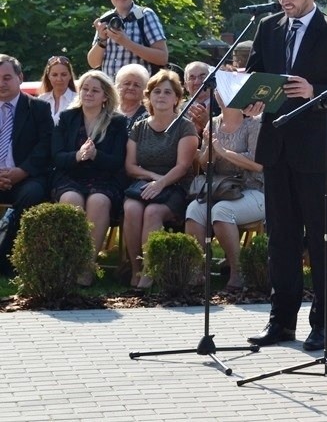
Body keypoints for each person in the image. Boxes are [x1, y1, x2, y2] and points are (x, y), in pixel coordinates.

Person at [243, 0, 327, 352]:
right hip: (276, 147)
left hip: (315, 152)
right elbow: (256, 76)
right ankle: (281, 322)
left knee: (320, 238)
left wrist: (315, 92)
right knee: (280, 238)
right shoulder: (268, 27)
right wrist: (251, 100)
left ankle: (323, 325)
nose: (285, 1)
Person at [51, 71, 128, 286]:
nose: (89, 93)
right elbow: (56, 156)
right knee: (71, 201)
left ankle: (86, 267)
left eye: (95, 90)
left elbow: (118, 161)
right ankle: (70, 264)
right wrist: (77, 156)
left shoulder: (117, 122)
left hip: (104, 178)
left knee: (98, 201)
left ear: (105, 96)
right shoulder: (67, 118)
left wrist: (96, 155)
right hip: (71, 176)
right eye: (85, 88)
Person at [123, 69, 198, 288]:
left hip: (175, 185)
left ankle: (150, 269)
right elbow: (130, 166)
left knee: (153, 211)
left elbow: (183, 166)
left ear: (176, 98)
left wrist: (162, 182)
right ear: (149, 97)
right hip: (144, 184)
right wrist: (152, 178)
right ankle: (135, 269)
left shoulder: (185, 126)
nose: (162, 96)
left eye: (168, 92)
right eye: (157, 92)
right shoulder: (139, 127)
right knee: (132, 209)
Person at [184, 92, 264, 291]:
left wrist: (222, 151)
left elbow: (258, 165)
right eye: (220, 91)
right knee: (194, 210)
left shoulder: (254, 124)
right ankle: (198, 270)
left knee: (221, 212)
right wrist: (207, 151)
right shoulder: (213, 124)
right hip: (221, 190)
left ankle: (238, 271)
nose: (223, 95)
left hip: (253, 190)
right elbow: (204, 164)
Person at [0, 54, 53, 276]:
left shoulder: (38, 108)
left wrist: (22, 171)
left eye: (6, 78)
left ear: (19, 78)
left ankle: (7, 256)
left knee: (33, 193)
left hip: (26, 178)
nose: (1, 83)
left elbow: (46, 145)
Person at [87, 0, 168, 80]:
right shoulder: (106, 18)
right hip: (110, 92)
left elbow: (162, 58)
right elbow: (93, 63)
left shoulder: (145, 15)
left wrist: (125, 42)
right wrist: (102, 40)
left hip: (138, 90)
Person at [181, 61, 219, 135]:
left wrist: (208, 124)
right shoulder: (179, 111)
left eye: (202, 77)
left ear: (212, 81)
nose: (197, 82)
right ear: (185, 85)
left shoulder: (223, 108)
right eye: (192, 78)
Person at [38, 55, 77, 125]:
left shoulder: (77, 100)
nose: (59, 79)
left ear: (70, 76)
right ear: (48, 76)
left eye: (64, 75)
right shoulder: (41, 99)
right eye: (54, 75)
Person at [115, 63, 150, 131]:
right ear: (117, 86)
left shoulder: (147, 116)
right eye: (127, 83)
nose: (131, 88)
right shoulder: (108, 111)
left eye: (136, 85)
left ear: (144, 90)